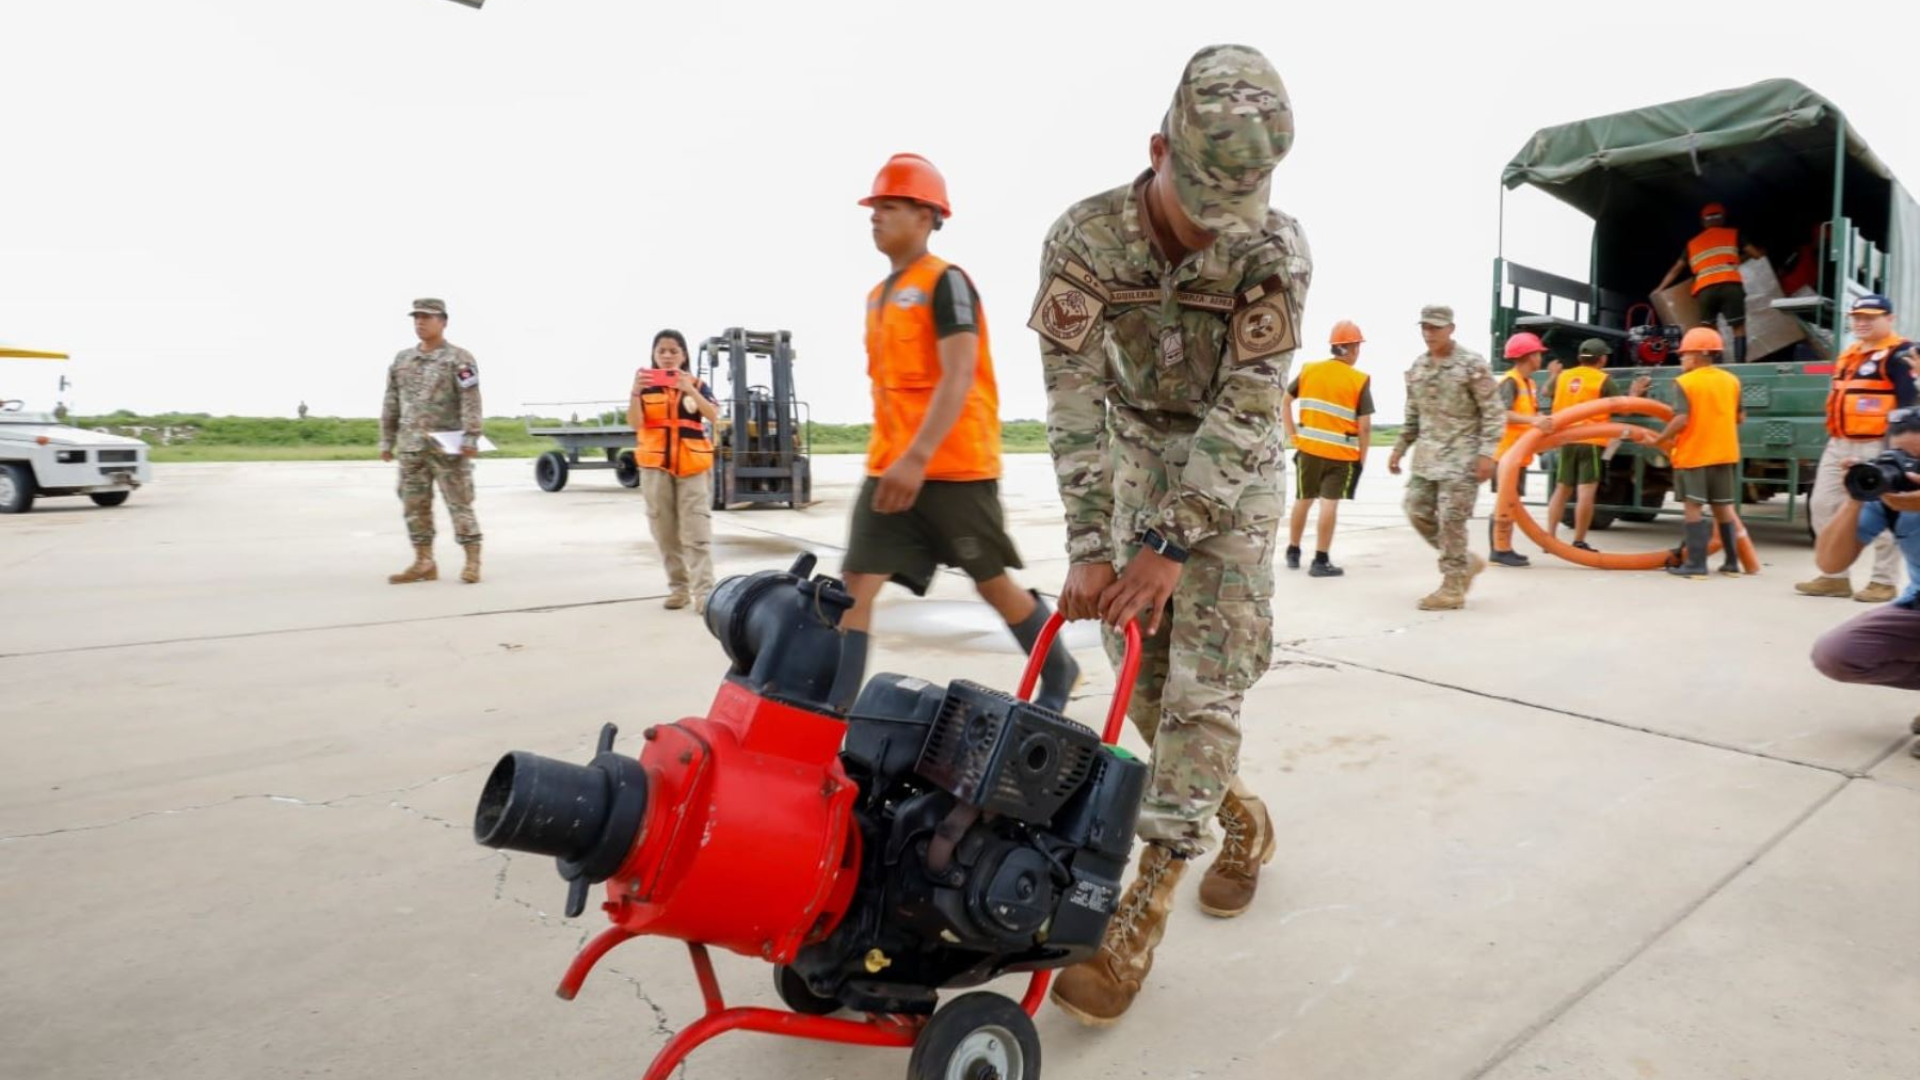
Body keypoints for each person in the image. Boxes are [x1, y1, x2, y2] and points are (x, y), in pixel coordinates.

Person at [1032, 44, 1307, 1025]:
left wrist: (1174, 541)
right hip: (1131, 454)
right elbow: (1071, 404)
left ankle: (1139, 913)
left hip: (1234, 478)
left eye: (1240, 210)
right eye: (1203, 209)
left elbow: (1247, 405)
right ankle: (1241, 819)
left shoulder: (1273, 248)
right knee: (1140, 677)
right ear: (1157, 151)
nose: (1219, 235)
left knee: (1205, 682)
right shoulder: (1084, 241)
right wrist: (1093, 547)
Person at [833, 153, 1079, 716]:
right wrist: (900, 459)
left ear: (925, 215)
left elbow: (960, 372)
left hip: (953, 470)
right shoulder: (877, 297)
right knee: (854, 587)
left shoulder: (947, 283)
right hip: (889, 470)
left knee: (992, 584)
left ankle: (1059, 668)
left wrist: (919, 456)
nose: (875, 217)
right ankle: (836, 707)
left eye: (889, 207)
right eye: (874, 207)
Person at [1809, 405, 1920, 758]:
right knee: (1838, 655)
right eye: (1903, 459)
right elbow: (1830, 562)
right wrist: (1857, 497)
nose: (1909, 471)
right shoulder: (1891, 500)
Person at [1796, 294, 1918, 603]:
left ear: (1888, 319)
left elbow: (1910, 405)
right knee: (1823, 504)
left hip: (1880, 444)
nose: (1861, 322)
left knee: (1888, 508)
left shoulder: (1900, 353)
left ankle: (1883, 581)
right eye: (1857, 316)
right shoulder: (1850, 354)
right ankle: (1834, 577)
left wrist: (1901, 452)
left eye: (1870, 317)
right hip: (1840, 443)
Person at [1388, 305, 1502, 610]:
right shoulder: (1419, 367)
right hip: (1427, 459)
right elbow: (1413, 414)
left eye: (1436, 327)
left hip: (1463, 460)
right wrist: (1400, 447)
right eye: (1425, 327)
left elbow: (1494, 413)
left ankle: (1452, 587)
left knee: (1453, 521)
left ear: (1451, 328)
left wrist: (1488, 454)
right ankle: (1464, 562)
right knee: (1416, 510)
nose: (1429, 333)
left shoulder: (1471, 365)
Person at [379, 298, 483, 585]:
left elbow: (470, 398)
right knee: (414, 505)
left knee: (459, 503)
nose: (420, 322)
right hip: (411, 447)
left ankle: (472, 561)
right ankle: (424, 561)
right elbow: (391, 402)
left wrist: (472, 435)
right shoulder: (402, 360)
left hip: (448, 446)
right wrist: (386, 441)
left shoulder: (459, 358)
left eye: (427, 317)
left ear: (443, 321)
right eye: (417, 317)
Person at [628, 329, 719, 612]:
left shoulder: (698, 384)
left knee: (696, 532)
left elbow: (715, 415)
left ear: (684, 355)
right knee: (665, 532)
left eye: (673, 351)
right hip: (656, 468)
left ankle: (704, 593)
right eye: (661, 351)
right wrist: (634, 391)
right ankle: (678, 589)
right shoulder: (644, 387)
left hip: (691, 466)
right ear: (654, 355)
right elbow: (635, 423)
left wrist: (689, 389)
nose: (667, 356)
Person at [1652, 327, 1747, 577]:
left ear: (1696, 355)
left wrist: (1662, 437)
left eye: (1683, 355)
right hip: (1725, 453)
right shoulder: (1732, 381)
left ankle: (1696, 565)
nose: (1681, 359)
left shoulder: (1686, 382)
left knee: (1693, 508)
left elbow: (1682, 418)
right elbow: (1741, 417)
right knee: (1723, 508)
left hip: (1695, 453)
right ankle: (1731, 564)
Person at [1281, 320, 1372, 577]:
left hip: (1308, 450)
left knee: (1303, 500)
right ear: (1353, 347)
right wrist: (1361, 460)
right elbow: (1364, 428)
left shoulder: (1310, 370)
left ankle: (1293, 551)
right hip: (1340, 455)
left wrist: (1294, 438)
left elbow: (1285, 402)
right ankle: (1320, 561)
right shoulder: (1359, 379)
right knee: (1328, 505)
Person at [1541, 339, 1650, 551]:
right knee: (1586, 491)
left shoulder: (1564, 376)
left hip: (1565, 439)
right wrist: (1635, 393)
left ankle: (1549, 538)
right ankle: (1579, 541)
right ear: (1602, 359)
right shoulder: (1603, 380)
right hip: (1591, 441)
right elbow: (1624, 410)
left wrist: (1553, 374)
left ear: (1580, 358)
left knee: (1562, 489)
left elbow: (1546, 391)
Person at [1655, 202, 1766, 363]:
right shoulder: (1733, 234)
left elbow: (1676, 269)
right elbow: (1756, 254)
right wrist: (1755, 254)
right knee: (1738, 326)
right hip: (1730, 285)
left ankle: (1715, 364)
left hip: (1705, 290)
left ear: (1703, 222)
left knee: (1710, 329)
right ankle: (1740, 364)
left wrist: (1659, 289)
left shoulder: (1692, 244)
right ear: (1722, 219)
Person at [1489, 332, 1553, 568]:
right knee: (1505, 503)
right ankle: (1499, 549)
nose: (1540, 357)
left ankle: (1503, 548)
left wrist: (1540, 420)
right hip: (1506, 454)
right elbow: (1501, 413)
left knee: (1511, 503)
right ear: (1527, 356)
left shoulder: (1529, 383)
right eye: (1537, 353)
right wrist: (1533, 422)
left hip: (1519, 455)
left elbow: (1527, 413)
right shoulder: (1510, 381)